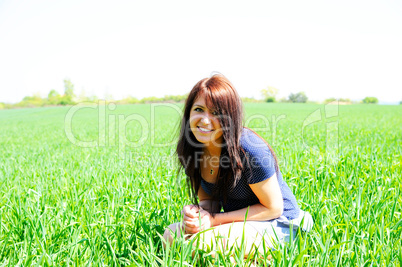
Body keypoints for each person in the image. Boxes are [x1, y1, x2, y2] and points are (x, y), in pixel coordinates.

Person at [163, 73, 313, 256]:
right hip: (239, 222)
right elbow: (209, 201)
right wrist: (196, 214)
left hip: (281, 223)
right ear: (189, 112)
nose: (204, 120)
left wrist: (214, 220)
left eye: (216, 113)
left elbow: (273, 208)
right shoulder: (193, 151)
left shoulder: (250, 150)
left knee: (200, 246)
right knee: (171, 234)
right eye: (199, 109)